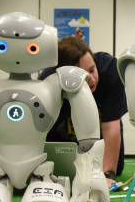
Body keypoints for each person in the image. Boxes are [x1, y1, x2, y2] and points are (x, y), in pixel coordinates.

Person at [39, 36, 127, 186]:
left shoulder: (110, 70)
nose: (92, 79)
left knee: (114, 169)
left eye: (92, 70)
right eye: (83, 76)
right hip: (64, 148)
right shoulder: (48, 81)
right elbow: (41, 130)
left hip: (101, 145)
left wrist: (107, 174)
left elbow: (111, 126)